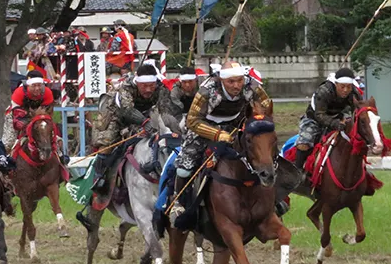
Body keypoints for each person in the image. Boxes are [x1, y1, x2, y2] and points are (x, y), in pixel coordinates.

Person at [169, 60, 272, 221]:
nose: (236, 85)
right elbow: (192, 120)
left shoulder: (251, 85)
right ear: (222, 80)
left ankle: (273, 198)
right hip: (204, 127)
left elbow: (266, 104)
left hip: (235, 125)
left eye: (239, 80)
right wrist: (217, 134)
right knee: (185, 166)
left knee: (261, 154)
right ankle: (178, 201)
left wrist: (257, 119)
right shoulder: (207, 90)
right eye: (231, 81)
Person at [91, 64, 174, 195]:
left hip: (145, 114)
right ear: (137, 83)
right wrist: (144, 122)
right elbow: (127, 110)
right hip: (115, 114)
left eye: (151, 86)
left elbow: (166, 111)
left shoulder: (161, 89)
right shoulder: (126, 88)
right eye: (144, 86)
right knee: (106, 142)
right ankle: (99, 176)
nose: (148, 89)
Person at [293, 68, 361, 172]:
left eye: (348, 87)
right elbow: (320, 115)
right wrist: (335, 123)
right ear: (336, 84)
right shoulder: (324, 91)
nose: (346, 90)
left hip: (339, 119)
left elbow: (357, 112)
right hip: (314, 119)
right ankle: (298, 172)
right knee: (304, 142)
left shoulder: (354, 94)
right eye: (342, 86)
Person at [3, 70, 56, 152]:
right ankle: (4, 159)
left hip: (39, 117)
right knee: (8, 142)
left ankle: (61, 158)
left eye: (39, 85)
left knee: (56, 138)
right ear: (28, 85)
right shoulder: (19, 92)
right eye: (34, 86)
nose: (37, 88)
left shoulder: (47, 92)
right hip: (17, 116)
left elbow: (48, 112)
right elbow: (16, 114)